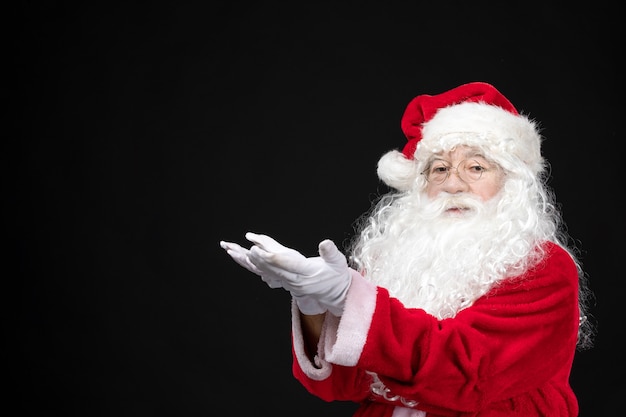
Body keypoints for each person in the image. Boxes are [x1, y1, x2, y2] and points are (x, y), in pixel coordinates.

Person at [219, 82, 595, 416]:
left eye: (476, 168)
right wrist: (315, 305)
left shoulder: (543, 267)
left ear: (511, 183)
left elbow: (467, 374)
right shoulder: (398, 260)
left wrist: (350, 298)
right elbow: (342, 385)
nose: (453, 185)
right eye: (439, 170)